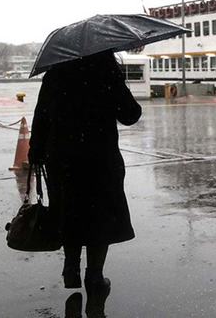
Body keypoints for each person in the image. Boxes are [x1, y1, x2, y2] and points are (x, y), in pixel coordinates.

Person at [29, 50, 142, 317]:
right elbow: (130, 114)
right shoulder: (105, 73)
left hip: (62, 159)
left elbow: (41, 114)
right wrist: (118, 83)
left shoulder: (56, 73)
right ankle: (95, 277)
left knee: (69, 209)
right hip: (99, 158)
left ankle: (71, 267)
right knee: (99, 216)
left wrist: (36, 151)